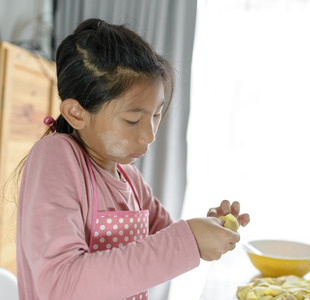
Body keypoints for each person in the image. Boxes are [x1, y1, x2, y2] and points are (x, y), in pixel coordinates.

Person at [15, 18, 250, 300]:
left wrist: (207, 232)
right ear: (76, 113)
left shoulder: (128, 176)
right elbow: (60, 285)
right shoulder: (56, 156)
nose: (149, 135)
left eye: (155, 115)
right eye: (132, 120)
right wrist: (187, 239)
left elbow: (161, 242)